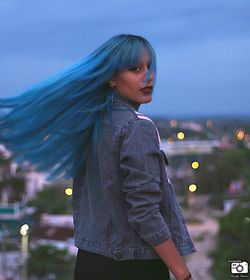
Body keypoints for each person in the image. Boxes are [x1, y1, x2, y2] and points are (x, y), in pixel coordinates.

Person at [0, 34, 195, 279]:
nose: (148, 76)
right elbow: (144, 213)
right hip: (133, 267)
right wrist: (182, 273)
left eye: (149, 67)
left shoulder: (91, 125)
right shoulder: (137, 127)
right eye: (135, 69)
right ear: (111, 78)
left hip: (89, 263)